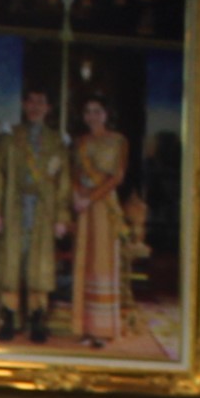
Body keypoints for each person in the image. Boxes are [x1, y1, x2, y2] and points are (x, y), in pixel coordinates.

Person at [0, 87, 69, 341]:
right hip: (13, 207)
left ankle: (37, 318)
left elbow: (63, 182)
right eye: (30, 101)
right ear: (23, 104)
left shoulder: (56, 141)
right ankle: (9, 317)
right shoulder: (9, 138)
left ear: (48, 107)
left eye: (40, 101)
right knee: (11, 262)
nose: (35, 106)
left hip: (43, 211)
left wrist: (62, 217)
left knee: (39, 264)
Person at [70, 97, 131, 346]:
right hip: (84, 208)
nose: (92, 116)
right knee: (85, 262)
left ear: (106, 114)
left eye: (97, 111)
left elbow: (117, 177)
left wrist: (90, 198)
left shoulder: (118, 141)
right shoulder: (80, 143)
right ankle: (86, 328)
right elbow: (74, 172)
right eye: (88, 111)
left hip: (104, 207)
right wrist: (77, 195)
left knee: (102, 263)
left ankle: (103, 331)